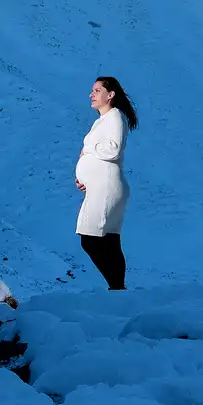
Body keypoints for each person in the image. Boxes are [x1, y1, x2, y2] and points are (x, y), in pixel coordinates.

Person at [74, 75, 137, 289]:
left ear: (110, 95)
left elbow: (114, 148)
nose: (91, 94)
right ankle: (118, 290)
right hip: (99, 186)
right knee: (108, 240)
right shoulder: (101, 120)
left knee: (90, 239)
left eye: (97, 90)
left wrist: (88, 149)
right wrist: (84, 178)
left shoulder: (115, 117)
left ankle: (117, 287)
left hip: (107, 187)